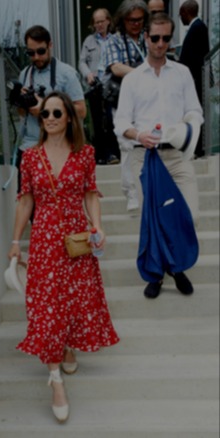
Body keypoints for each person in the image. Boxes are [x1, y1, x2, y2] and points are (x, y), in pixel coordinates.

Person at [8, 91, 119, 424]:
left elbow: (90, 194)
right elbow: (26, 201)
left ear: (69, 117)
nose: (51, 118)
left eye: (57, 113)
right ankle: (55, 379)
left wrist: (97, 226)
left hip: (76, 239)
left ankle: (66, 346)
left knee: (73, 300)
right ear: (40, 121)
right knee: (47, 305)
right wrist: (15, 240)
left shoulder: (84, 154)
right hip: (43, 240)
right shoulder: (30, 157)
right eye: (45, 114)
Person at [114, 12, 203, 299]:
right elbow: (121, 123)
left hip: (177, 156)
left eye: (166, 38)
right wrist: (139, 135)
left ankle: (175, 266)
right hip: (145, 157)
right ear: (146, 38)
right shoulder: (132, 80)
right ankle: (159, 274)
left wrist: (185, 128)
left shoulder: (182, 73)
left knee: (190, 214)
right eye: (155, 38)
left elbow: (195, 111)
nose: (161, 43)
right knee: (152, 220)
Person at [15, 25, 86, 192]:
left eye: (41, 51)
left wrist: (46, 108)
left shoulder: (67, 74)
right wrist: (23, 103)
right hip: (29, 146)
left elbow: (82, 111)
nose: (36, 57)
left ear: (50, 45)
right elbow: (21, 114)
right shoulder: (25, 74)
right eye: (31, 53)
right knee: (28, 203)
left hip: (60, 147)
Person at [100, 0, 149, 212]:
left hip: (148, 101)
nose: (136, 24)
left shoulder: (149, 37)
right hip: (123, 101)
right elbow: (116, 67)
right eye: (131, 20)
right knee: (127, 146)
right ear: (123, 20)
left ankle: (147, 189)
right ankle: (130, 192)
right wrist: (144, 73)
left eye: (139, 19)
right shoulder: (115, 40)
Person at [79, 8, 118, 165]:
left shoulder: (116, 39)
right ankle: (100, 155)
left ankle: (113, 153)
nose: (99, 25)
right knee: (97, 121)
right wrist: (88, 74)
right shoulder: (89, 41)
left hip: (111, 85)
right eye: (96, 22)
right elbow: (81, 61)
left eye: (102, 21)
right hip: (95, 86)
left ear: (108, 21)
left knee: (110, 119)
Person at [178, 0, 209, 158]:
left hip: (195, 80)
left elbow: (197, 58)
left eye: (180, 14)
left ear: (185, 12)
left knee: (195, 113)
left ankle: (198, 147)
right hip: (195, 79)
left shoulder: (198, 28)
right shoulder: (197, 28)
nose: (180, 18)